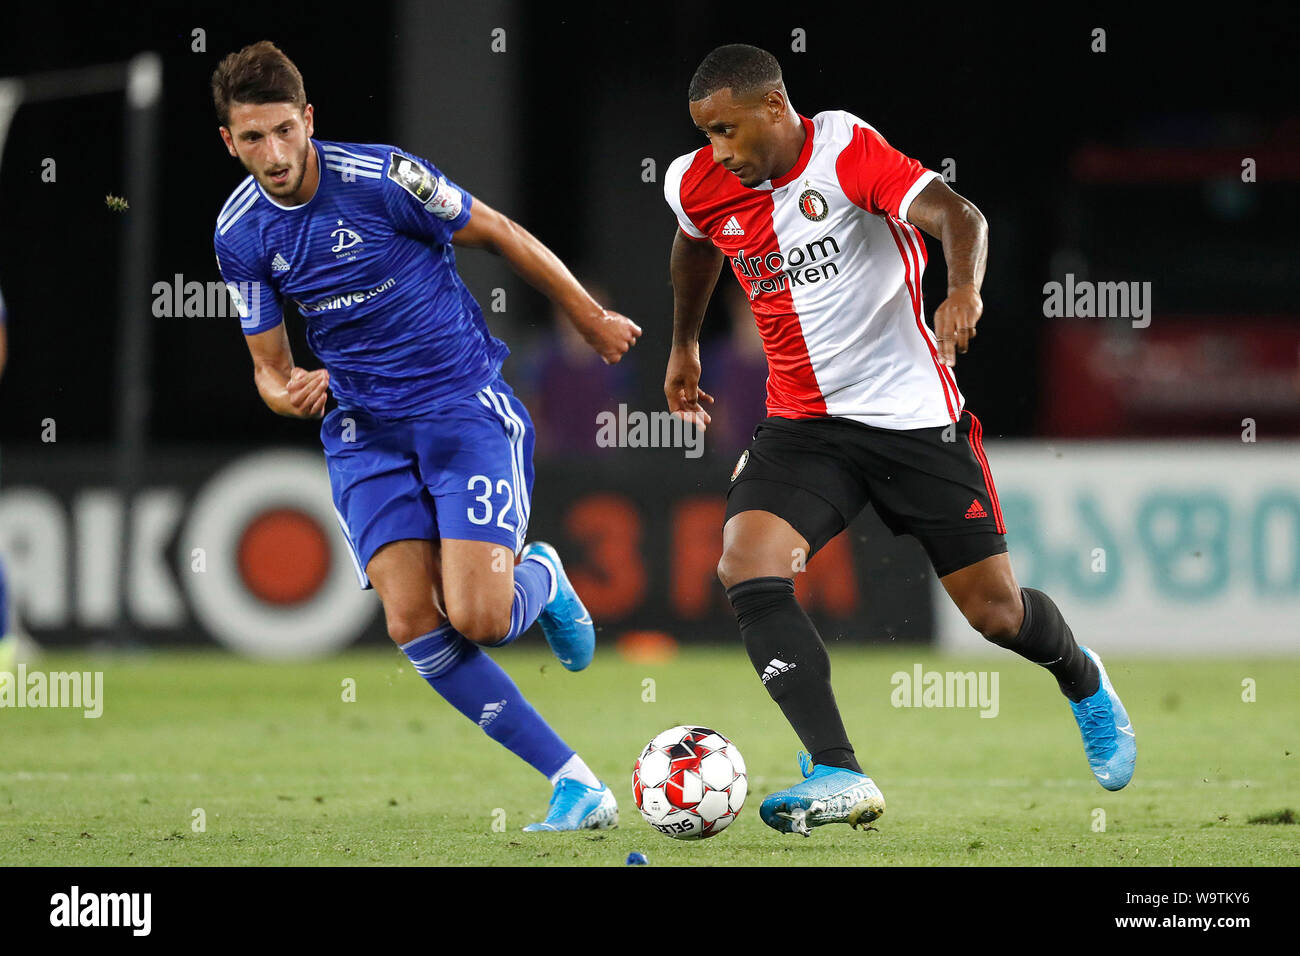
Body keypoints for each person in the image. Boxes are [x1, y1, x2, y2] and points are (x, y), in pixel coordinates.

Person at [661, 44, 1135, 836]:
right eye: (706, 134)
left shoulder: (845, 148)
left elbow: (959, 215)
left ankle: (1081, 676)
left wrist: (963, 290)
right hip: (804, 426)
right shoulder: (698, 182)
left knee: (996, 614)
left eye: (729, 130)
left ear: (775, 108)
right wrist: (684, 343)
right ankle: (838, 771)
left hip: (913, 420)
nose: (719, 152)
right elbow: (693, 244)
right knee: (747, 566)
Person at [211, 41, 641, 831]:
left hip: (461, 411)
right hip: (362, 432)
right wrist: (290, 392)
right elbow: (269, 372)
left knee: (479, 617)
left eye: (282, 131)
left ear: (308, 120)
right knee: (412, 620)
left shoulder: (384, 180)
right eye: (251, 139)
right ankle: (575, 782)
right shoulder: (239, 236)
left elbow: (503, 232)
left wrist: (588, 315)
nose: (272, 155)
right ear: (228, 142)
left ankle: (539, 577)